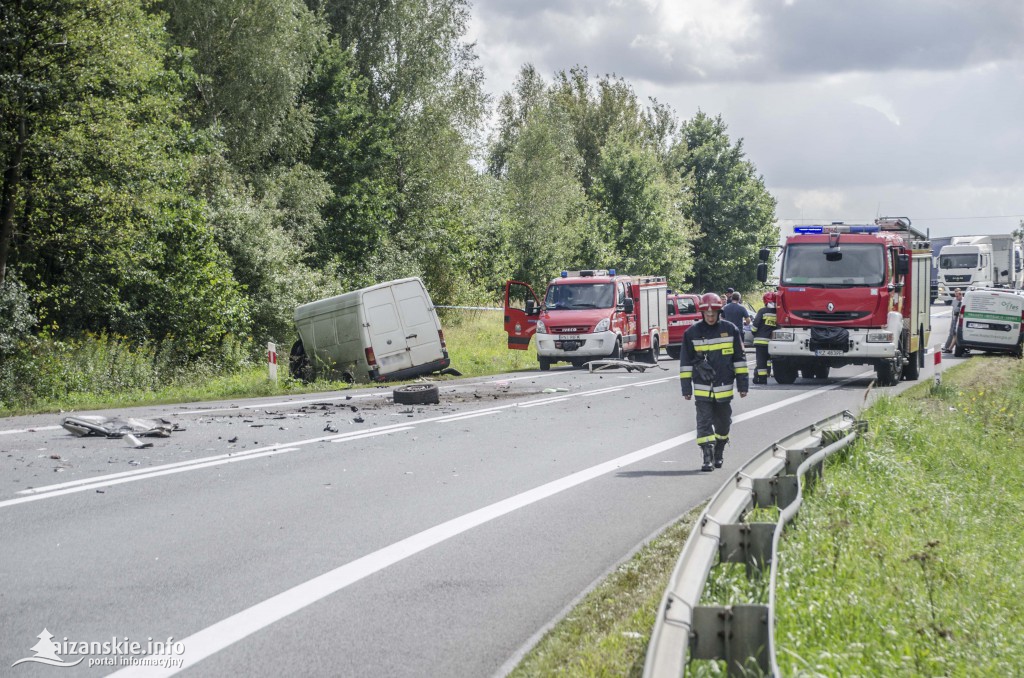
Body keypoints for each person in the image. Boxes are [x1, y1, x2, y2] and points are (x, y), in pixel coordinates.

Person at [680, 293, 749, 471]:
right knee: (703, 423)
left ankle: (719, 450)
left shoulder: (731, 329)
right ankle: (707, 457)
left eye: (713, 314)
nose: (710, 317)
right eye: (707, 314)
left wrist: (743, 385)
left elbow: (739, 360)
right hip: (702, 389)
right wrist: (686, 388)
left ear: (719, 312)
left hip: (724, 388)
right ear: (702, 313)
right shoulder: (692, 333)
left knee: (723, 423)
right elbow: (685, 363)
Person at [750, 291, 777, 384]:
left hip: (760, 341)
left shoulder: (762, 311)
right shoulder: (778, 312)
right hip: (773, 342)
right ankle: (768, 373)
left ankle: (762, 379)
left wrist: (754, 333)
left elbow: (754, 326)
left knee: (761, 361)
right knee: (769, 360)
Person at [942, 288, 963, 353]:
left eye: (957, 296)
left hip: (960, 319)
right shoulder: (954, 300)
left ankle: (949, 348)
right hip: (954, 318)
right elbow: (953, 310)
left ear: (961, 295)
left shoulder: (964, 301)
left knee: (955, 334)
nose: (956, 297)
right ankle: (947, 347)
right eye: (955, 295)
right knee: (951, 333)